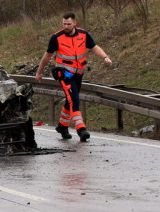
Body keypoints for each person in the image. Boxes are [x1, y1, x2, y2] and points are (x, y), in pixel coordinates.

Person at [35, 12, 113, 142]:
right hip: (64, 74)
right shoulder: (57, 37)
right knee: (74, 100)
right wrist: (39, 72)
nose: (66, 26)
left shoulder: (83, 34)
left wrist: (105, 57)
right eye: (64, 24)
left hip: (78, 74)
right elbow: (47, 56)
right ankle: (81, 129)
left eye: (69, 24)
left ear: (75, 23)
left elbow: (94, 47)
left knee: (69, 100)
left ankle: (62, 126)